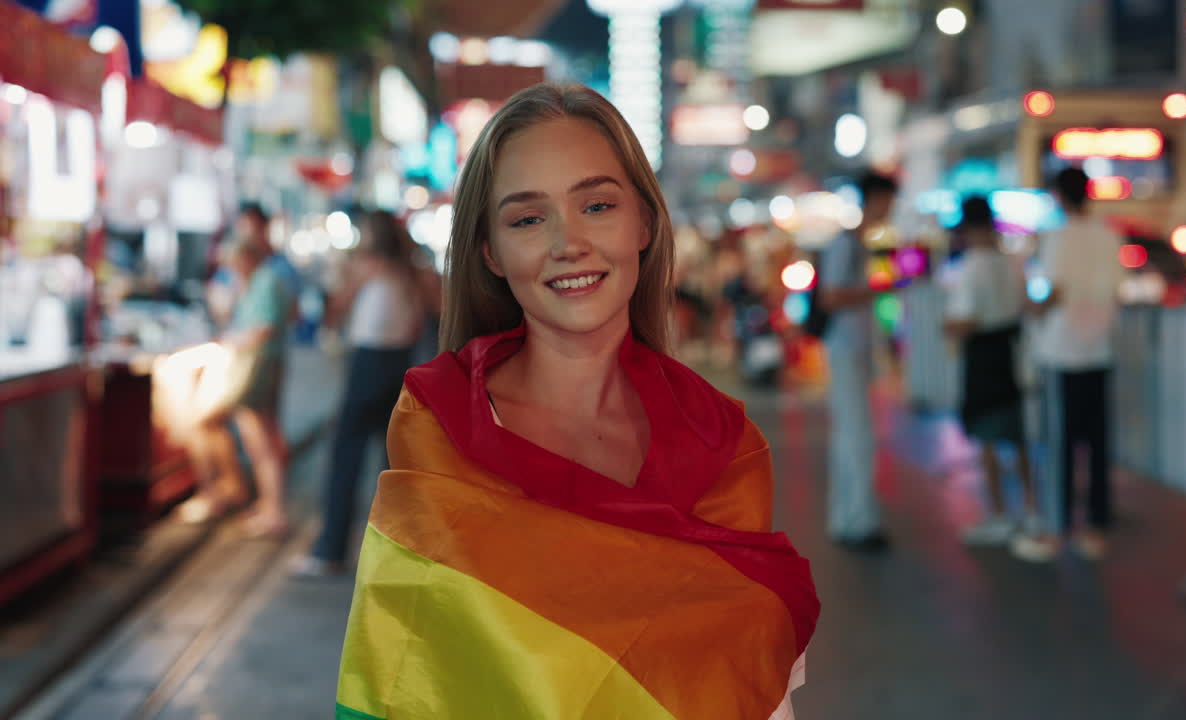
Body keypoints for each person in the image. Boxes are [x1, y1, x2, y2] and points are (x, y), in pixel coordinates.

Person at [335, 83, 818, 719]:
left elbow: (746, 678)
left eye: (596, 205)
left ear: (644, 221)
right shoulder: (439, 427)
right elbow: (404, 678)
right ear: (491, 251)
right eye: (528, 218)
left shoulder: (723, 443)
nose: (570, 243)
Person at [291, 211, 426, 576]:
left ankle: (330, 550)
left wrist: (334, 312)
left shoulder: (369, 264)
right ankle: (396, 550)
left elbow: (338, 304)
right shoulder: (409, 270)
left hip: (369, 359)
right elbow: (418, 320)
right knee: (392, 459)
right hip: (400, 361)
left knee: (345, 454)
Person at [1014, 167, 1124, 562]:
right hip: (1100, 350)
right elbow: (1117, 290)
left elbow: (1053, 292)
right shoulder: (1110, 235)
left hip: (1062, 353)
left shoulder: (1058, 239)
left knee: (1059, 445)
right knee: (1096, 444)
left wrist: (1028, 308)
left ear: (1058, 196)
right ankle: (1095, 528)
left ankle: (1055, 529)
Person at [943, 196, 1043, 548]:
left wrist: (949, 327)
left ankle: (999, 515)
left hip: (983, 357)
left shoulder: (972, 266)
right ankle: (1032, 510)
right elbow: (1026, 306)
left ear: (968, 229)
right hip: (1010, 354)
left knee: (986, 435)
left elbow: (965, 321)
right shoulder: (1011, 262)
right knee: (1017, 437)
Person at [179, 237, 292, 537]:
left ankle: (271, 510)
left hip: (255, 366)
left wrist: (230, 342)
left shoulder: (265, 281)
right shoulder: (258, 281)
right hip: (256, 365)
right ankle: (257, 500)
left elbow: (264, 328)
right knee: (254, 435)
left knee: (259, 438)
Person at [818, 171, 899, 551]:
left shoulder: (858, 244)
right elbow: (831, 298)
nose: (890, 210)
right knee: (858, 438)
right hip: (846, 350)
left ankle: (849, 520)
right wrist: (871, 294)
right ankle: (859, 523)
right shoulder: (847, 245)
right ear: (875, 199)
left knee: (851, 437)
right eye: (888, 201)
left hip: (852, 350)